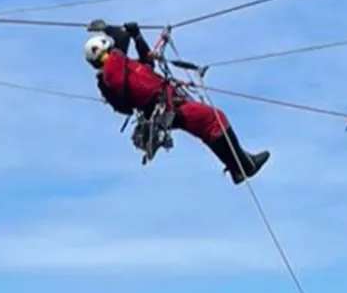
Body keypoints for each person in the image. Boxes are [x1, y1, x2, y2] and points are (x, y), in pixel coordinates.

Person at [85, 19, 270, 184]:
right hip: (166, 107)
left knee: (208, 128)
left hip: (170, 103)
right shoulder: (111, 72)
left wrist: (138, 37)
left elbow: (147, 63)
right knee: (215, 119)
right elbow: (121, 39)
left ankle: (238, 168)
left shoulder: (124, 68)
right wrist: (109, 29)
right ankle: (244, 166)